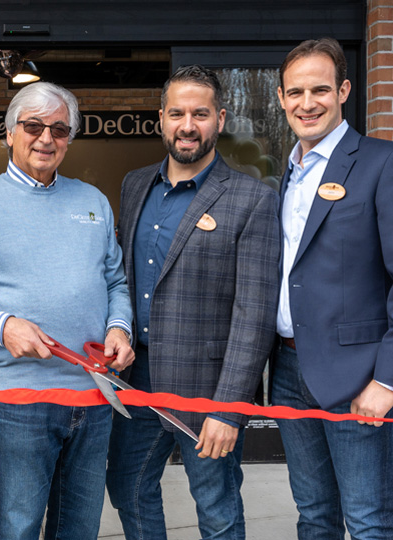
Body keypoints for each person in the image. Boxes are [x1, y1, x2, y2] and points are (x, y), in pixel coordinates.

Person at [0, 81, 134, 540]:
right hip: (20, 401)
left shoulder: (93, 202)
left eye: (60, 129)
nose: (47, 138)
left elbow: (115, 283)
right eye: (34, 126)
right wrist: (3, 326)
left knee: (79, 528)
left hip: (94, 395)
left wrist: (119, 328)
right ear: (9, 133)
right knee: (20, 525)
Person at [107, 65, 280, 540]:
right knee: (127, 486)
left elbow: (254, 316)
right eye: (178, 113)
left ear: (220, 119)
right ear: (161, 118)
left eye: (200, 114)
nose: (188, 125)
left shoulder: (253, 199)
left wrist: (228, 409)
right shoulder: (134, 184)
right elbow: (122, 275)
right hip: (135, 381)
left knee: (217, 509)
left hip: (208, 388)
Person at [272, 37, 393, 539]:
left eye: (319, 89)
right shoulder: (289, 172)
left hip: (356, 377)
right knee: (314, 516)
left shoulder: (381, 163)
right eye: (295, 92)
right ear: (281, 98)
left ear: (344, 90)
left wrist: (386, 381)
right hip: (286, 370)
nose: (307, 103)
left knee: (367, 523)